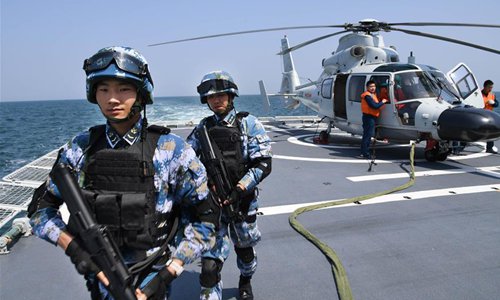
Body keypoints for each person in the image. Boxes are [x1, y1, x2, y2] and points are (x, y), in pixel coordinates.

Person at [28, 46, 217, 300]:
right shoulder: (81, 148)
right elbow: (40, 211)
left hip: (152, 275)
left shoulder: (171, 150)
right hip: (100, 276)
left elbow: (206, 217)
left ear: (140, 94)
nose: (112, 99)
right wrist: (76, 251)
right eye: (103, 89)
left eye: (123, 89)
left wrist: (169, 272)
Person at [186, 71, 272, 300]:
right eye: (211, 97)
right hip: (213, 206)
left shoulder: (249, 124)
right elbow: (186, 162)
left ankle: (245, 281)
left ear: (231, 96)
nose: (216, 100)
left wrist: (239, 190)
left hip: (242, 204)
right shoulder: (201, 130)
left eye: (221, 95)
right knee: (209, 267)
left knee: (245, 252)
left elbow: (263, 164)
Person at [359, 80, 388, 158]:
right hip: (368, 118)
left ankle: (364, 152)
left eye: (374, 86)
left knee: (367, 135)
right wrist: (382, 102)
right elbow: (374, 106)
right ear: (367, 87)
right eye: (371, 86)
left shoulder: (373, 94)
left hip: (371, 117)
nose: (373, 88)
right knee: (367, 135)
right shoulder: (367, 96)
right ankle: (365, 153)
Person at [481, 79, 499, 154]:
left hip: (489, 116)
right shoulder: (478, 94)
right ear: (484, 87)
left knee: (491, 131)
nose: (490, 89)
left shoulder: (492, 95)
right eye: (489, 87)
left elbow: (497, 104)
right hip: (480, 115)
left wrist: (494, 103)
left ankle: (489, 148)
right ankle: (460, 147)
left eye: (491, 87)